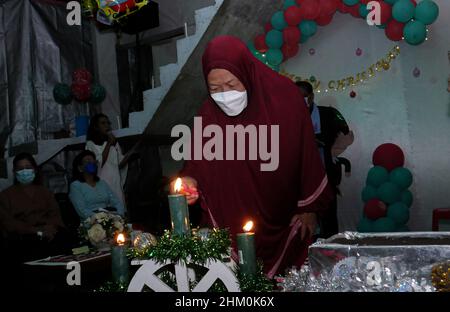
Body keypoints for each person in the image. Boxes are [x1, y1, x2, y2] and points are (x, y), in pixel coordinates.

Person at [175, 36, 334, 277]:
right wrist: (189, 182)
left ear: (246, 71)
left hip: (285, 216)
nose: (224, 95)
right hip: (232, 221)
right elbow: (197, 164)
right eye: (215, 89)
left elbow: (307, 156)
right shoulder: (209, 113)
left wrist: (310, 207)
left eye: (231, 84)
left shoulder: (286, 98)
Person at [0, 153, 72, 289]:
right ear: (15, 172)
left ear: (34, 170)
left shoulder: (45, 192)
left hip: (49, 233)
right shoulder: (5, 196)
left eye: (28, 167)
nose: (24, 171)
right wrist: (36, 231)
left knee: (65, 239)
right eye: (20, 168)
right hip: (24, 237)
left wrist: (50, 228)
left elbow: (55, 214)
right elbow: (8, 223)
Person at [296, 81, 354, 238]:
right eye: (296, 97)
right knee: (304, 226)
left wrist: (324, 143)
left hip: (326, 177)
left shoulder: (328, 114)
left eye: (304, 97)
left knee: (328, 224)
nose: (300, 100)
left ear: (312, 97)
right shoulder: (288, 115)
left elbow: (345, 131)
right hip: (300, 182)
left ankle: (331, 255)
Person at [85, 113, 127, 209]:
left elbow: (120, 164)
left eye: (108, 123)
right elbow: (98, 164)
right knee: (105, 216)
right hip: (101, 184)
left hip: (115, 183)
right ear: (96, 127)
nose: (107, 126)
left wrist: (131, 154)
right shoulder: (90, 144)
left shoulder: (114, 143)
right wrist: (109, 144)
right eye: (103, 123)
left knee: (119, 216)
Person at [69, 150, 125, 221]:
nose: (92, 163)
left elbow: (116, 202)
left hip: (110, 219)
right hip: (91, 223)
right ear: (80, 168)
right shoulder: (75, 186)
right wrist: (102, 218)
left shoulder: (102, 183)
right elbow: (82, 211)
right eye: (88, 162)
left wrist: (119, 215)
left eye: (93, 161)